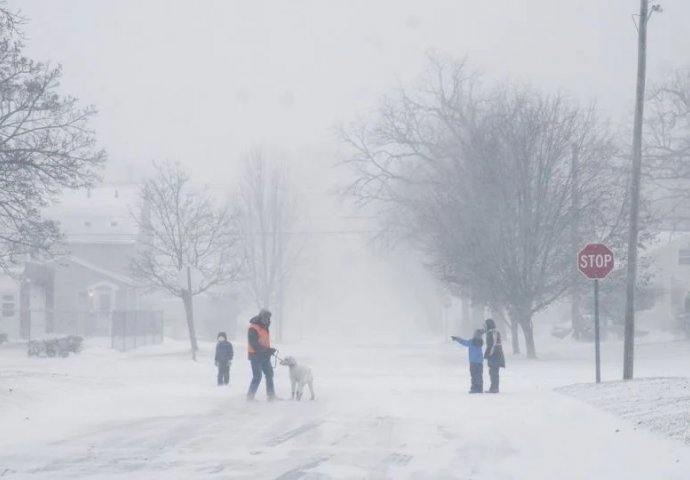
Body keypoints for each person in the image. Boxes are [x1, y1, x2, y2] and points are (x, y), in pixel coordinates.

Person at [246, 309, 277, 401]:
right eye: (265, 317)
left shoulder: (265, 327)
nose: (267, 319)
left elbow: (264, 342)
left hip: (264, 356)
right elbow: (254, 344)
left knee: (269, 374)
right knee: (257, 376)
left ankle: (271, 396)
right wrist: (266, 351)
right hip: (255, 356)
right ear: (260, 317)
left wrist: (269, 350)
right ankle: (250, 397)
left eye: (268, 318)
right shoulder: (253, 327)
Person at [451, 329, 485, 394]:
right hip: (480, 362)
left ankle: (474, 388)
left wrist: (457, 338)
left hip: (473, 362)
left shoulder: (471, 342)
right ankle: (480, 388)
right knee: (479, 375)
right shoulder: (481, 342)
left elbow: (464, 342)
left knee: (474, 375)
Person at [484, 318, 506, 393]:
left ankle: (494, 388)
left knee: (493, 372)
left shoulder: (490, 333)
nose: (484, 326)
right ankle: (494, 387)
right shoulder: (496, 332)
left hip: (494, 354)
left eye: (485, 324)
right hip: (498, 353)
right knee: (495, 371)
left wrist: (486, 355)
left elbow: (490, 345)